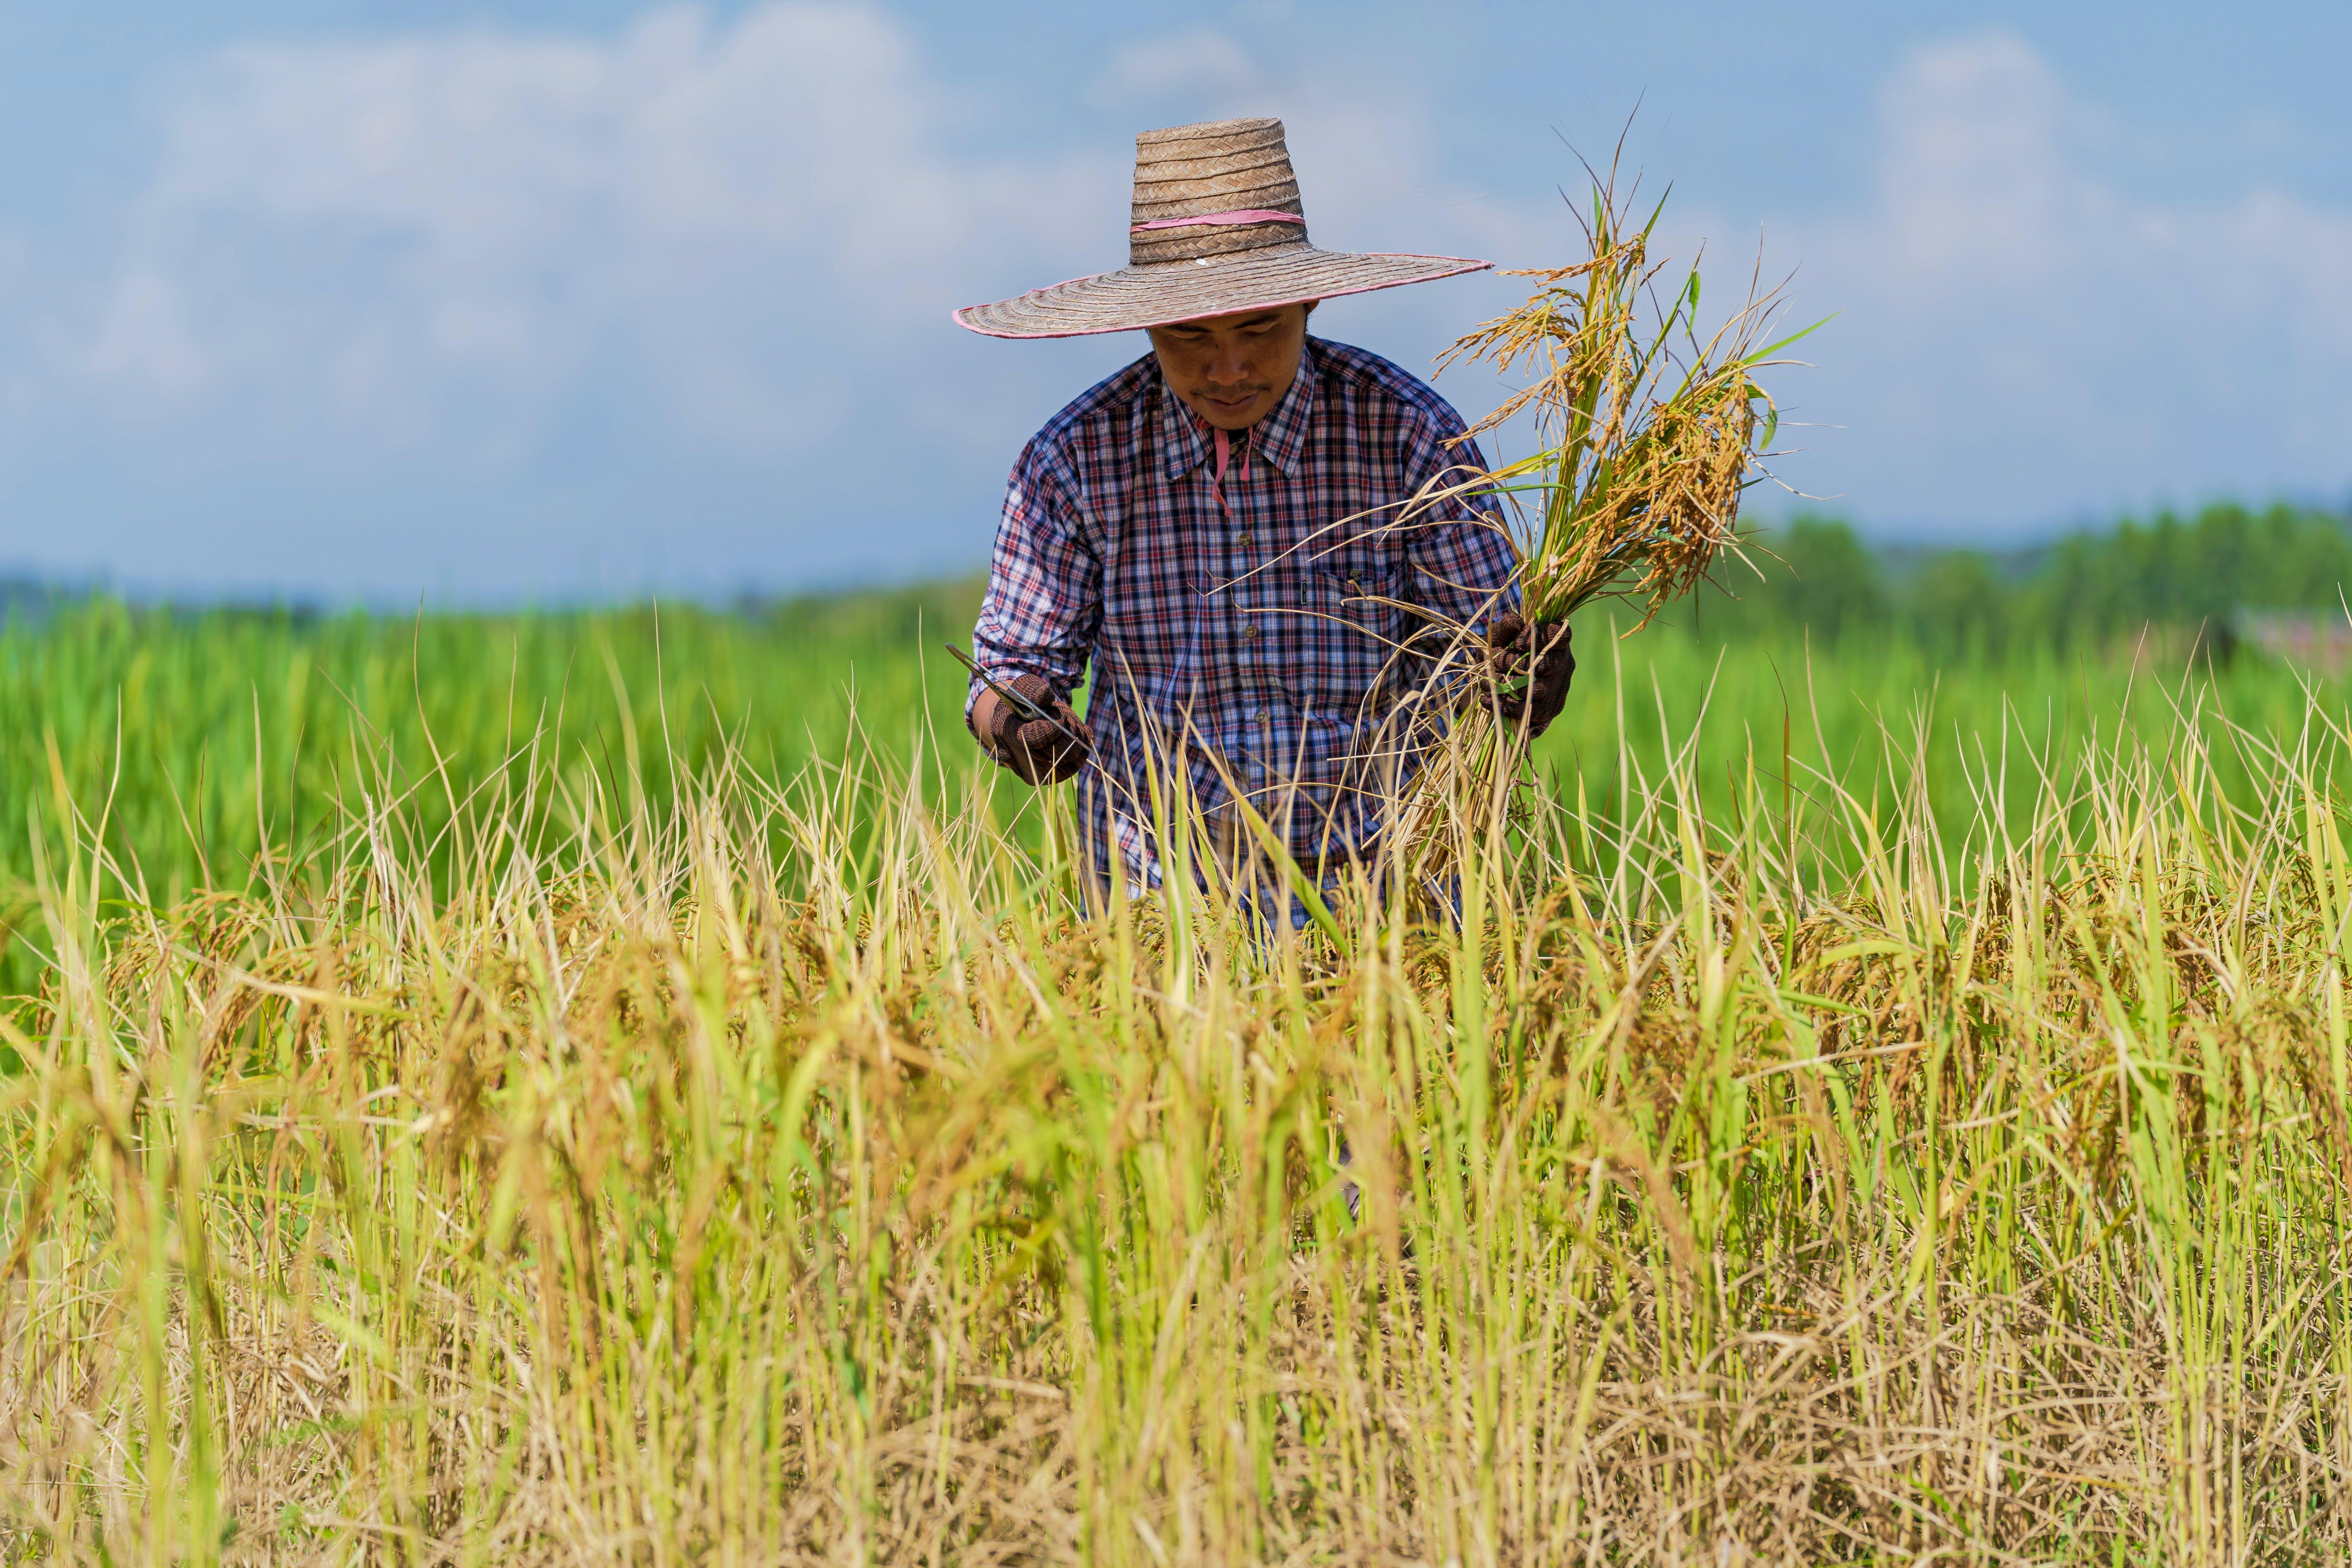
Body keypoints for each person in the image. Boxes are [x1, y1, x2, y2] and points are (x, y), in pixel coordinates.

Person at [954, 116, 1573, 920]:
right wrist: (1018, 722)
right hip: (1158, 912)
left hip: (1388, 906)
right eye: (1190, 338)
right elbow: (1005, 672)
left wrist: (1523, 675)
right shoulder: (1073, 461)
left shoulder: (1406, 436)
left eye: (1259, 328)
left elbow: (1491, 646)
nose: (1230, 369)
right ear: (1144, 325)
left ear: (1309, 301)